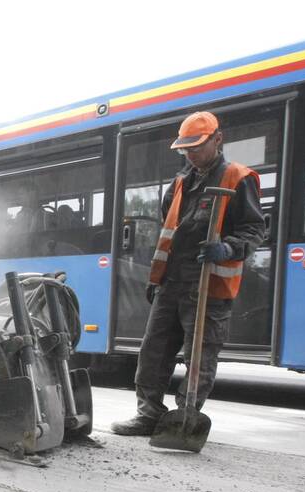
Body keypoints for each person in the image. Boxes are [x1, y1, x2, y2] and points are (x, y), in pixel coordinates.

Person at [111, 111, 266, 436]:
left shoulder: (238, 178)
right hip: (172, 284)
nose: (191, 154)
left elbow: (254, 229)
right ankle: (149, 414)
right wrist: (157, 279)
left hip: (210, 286)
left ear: (217, 140)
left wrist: (228, 247)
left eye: (197, 146)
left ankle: (182, 419)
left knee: (199, 358)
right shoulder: (180, 183)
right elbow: (167, 232)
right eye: (186, 149)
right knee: (153, 352)